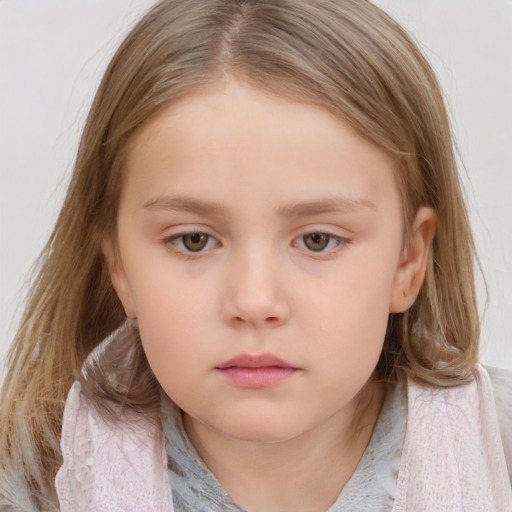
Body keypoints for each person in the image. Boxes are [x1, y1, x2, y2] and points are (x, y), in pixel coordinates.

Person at [1, 0, 511, 510]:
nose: (254, 300)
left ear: (409, 260)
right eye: (193, 240)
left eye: (318, 240)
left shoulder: (499, 455)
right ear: (120, 267)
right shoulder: (32, 488)